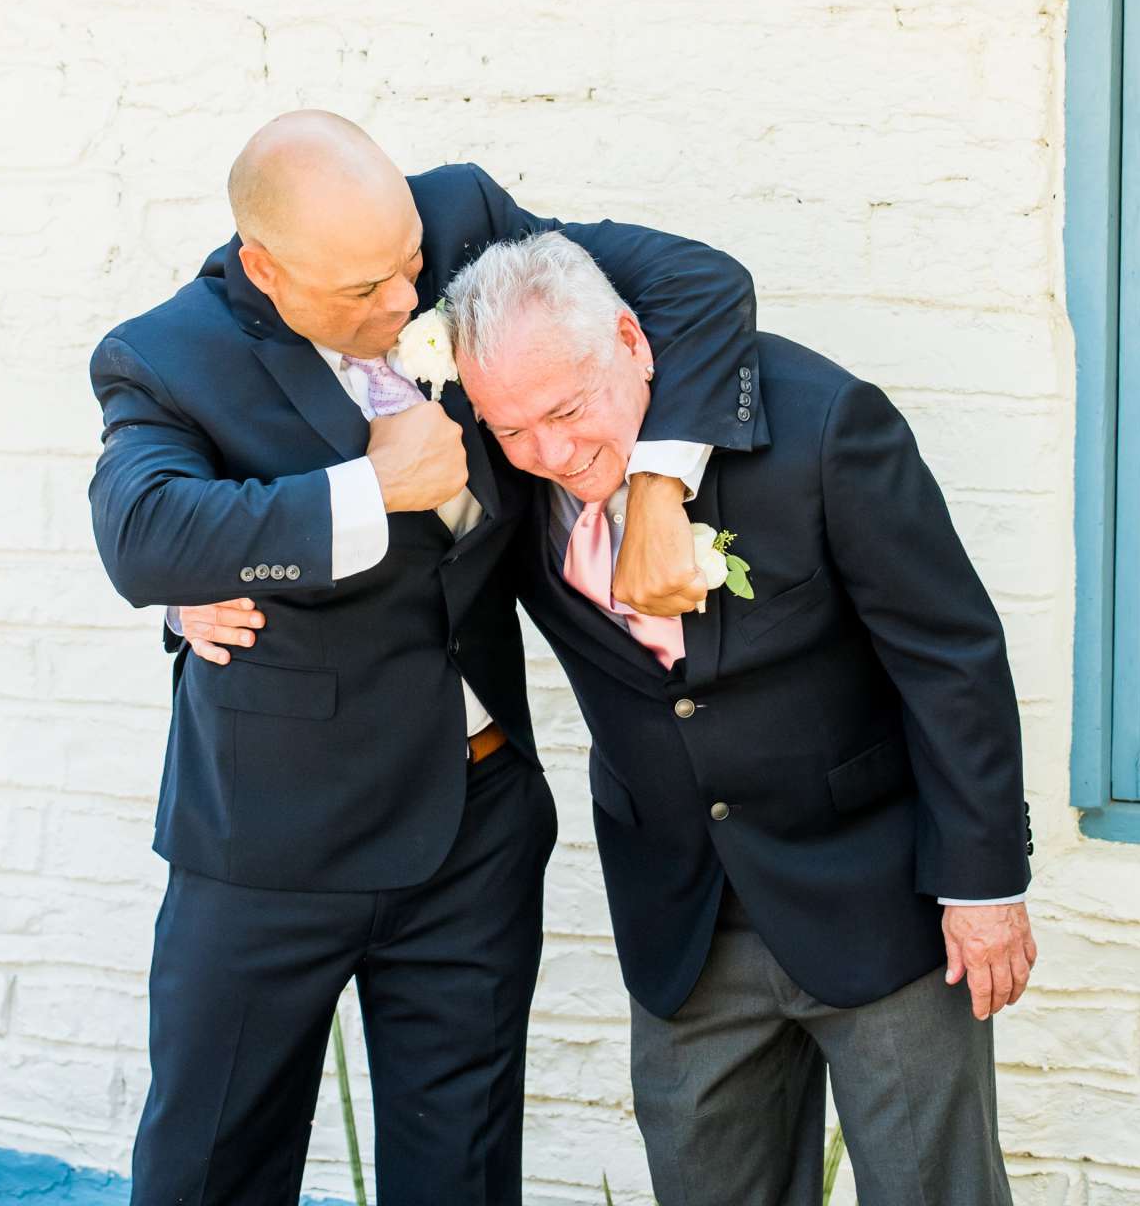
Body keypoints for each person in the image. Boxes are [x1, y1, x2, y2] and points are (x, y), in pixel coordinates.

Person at [86, 112, 761, 1205]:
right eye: (364, 292)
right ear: (267, 268)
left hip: (473, 829)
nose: (405, 305)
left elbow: (697, 285)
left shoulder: (463, 221)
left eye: (409, 271)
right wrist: (366, 490)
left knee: (460, 1175)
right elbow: (142, 537)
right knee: (213, 1169)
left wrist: (655, 487)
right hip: (268, 849)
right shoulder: (167, 357)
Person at [447, 230, 1036, 1206]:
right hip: (681, 915)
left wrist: (983, 884)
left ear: (633, 344)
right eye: (512, 428)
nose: (550, 451)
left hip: (879, 893)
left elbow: (950, 655)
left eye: (567, 409)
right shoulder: (508, 472)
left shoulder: (826, 427)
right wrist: (201, 588)